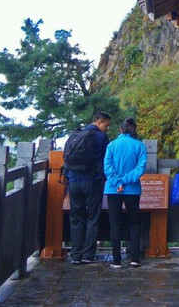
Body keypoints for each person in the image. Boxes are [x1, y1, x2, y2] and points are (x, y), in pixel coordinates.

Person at [66, 111, 110, 264]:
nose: (107, 128)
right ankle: (87, 255)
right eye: (106, 125)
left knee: (76, 218)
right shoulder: (100, 137)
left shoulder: (76, 134)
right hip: (92, 181)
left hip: (73, 181)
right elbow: (106, 158)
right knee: (92, 217)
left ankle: (75, 254)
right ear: (99, 122)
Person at [104, 117, 146, 269]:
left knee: (114, 224)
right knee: (134, 223)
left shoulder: (111, 145)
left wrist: (118, 182)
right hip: (132, 190)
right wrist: (126, 180)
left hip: (113, 189)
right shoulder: (140, 146)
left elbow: (107, 167)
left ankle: (116, 260)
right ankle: (135, 258)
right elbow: (140, 169)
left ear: (121, 129)